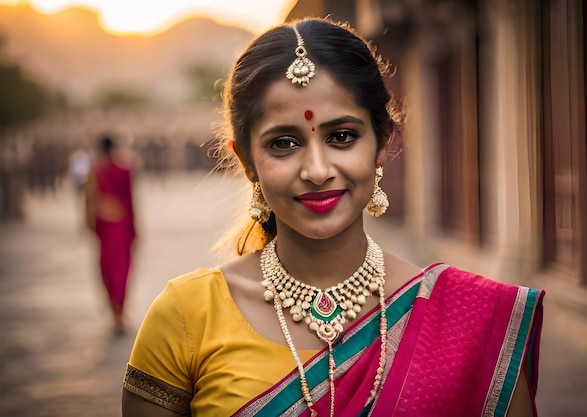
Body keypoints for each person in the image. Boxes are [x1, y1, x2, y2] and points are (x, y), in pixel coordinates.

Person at [121, 17, 544, 416]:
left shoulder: (471, 322)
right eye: (284, 143)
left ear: (381, 143)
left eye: (342, 137)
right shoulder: (186, 316)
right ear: (247, 161)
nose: (318, 170)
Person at [86, 134, 136, 334]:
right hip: (122, 227)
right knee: (121, 271)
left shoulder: (95, 172)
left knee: (107, 269)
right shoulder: (124, 170)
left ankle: (114, 312)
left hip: (106, 229)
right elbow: (131, 201)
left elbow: (90, 204)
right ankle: (120, 312)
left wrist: (90, 226)